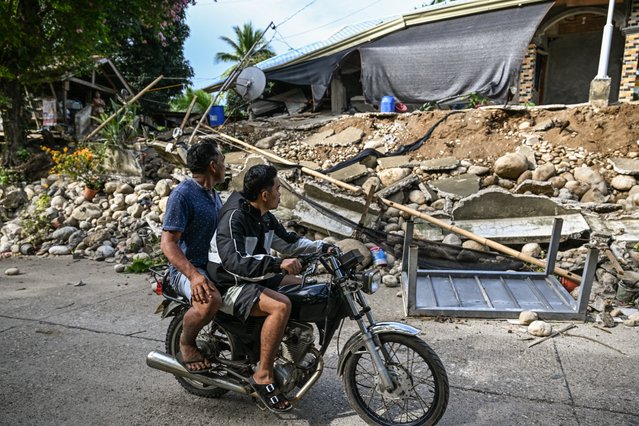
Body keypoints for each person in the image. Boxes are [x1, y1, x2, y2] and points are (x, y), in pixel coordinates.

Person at [207, 164, 325, 412]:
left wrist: (324, 248)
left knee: (306, 287)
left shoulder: (265, 217)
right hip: (229, 283)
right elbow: (234, 262)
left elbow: (290, 243)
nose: (280, 192)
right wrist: (277, 263)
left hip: (253, 278)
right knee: (281, 306)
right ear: (264, 194)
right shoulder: (234, 218)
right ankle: (262, 375)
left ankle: (291, 351)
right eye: (278, 188)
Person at [160, 140, 225, 373]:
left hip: (212, 265)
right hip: (186, 270)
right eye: (222, 160)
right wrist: (194, 276)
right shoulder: (183, 194)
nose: (225, 164)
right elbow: (168, 243)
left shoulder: (212, 194)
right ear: (212, 165)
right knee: (210, 301)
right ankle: (186, 343)